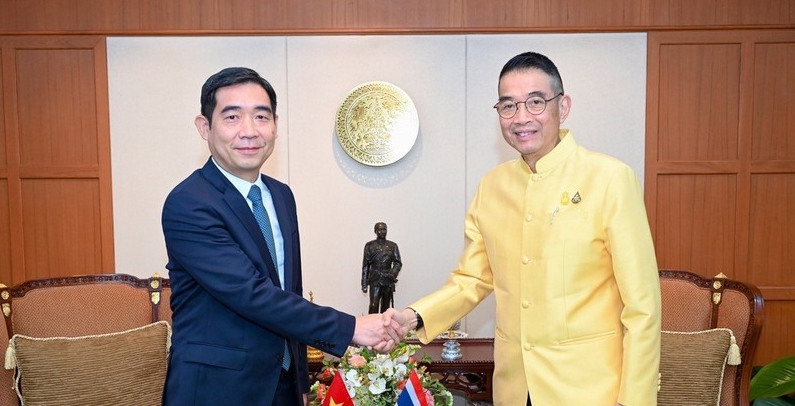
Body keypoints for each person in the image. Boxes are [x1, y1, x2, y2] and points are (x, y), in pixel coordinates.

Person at [385, 52, 662, 405]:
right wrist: (412, 317)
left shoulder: (609, 179)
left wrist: (635, 399)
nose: (521, 118)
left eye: (535, 102)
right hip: (515, 387)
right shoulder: (492, 186)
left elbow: (643, 306)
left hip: (591, 390)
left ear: (562, 107)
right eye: (508, 106)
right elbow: (473, 279)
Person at [161, 67, 404, 406]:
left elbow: (290, 291)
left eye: (261, 117)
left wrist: (300, 381)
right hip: (217, 388)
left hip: (281, 383)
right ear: (205, 127)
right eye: (232, 117)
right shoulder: (189, 203)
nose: (249, 131)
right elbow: (251, 294)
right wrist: (352, 328)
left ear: (275, 124)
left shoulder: (280, 195)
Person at [361, 222, 402, 313]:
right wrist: (364, 284)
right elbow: (365, 266)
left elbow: (397, 263)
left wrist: (392, 274)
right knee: (373, 305)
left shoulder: (393, 246)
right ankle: (372, 324)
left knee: (385, 307)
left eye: (384, 229)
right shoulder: (369, 246)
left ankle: (385, 326)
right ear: (375, 231)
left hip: (387, 280)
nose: (382, 232)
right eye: (380, 230)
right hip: (375, 279)